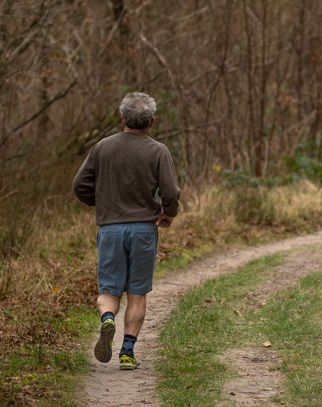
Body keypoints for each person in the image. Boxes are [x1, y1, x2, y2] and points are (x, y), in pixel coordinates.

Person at [73, 92, 180, 370]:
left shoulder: (102, 148)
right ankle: (127, 353)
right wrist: (168, 213)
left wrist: (104, 204)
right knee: (137, 292)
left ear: (122, 118)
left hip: (110, 229)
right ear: (151, 121)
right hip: (144, 229)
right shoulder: (159, 151)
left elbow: (79, 186)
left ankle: (107, 319)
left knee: (109, 289)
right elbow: (170, 193)